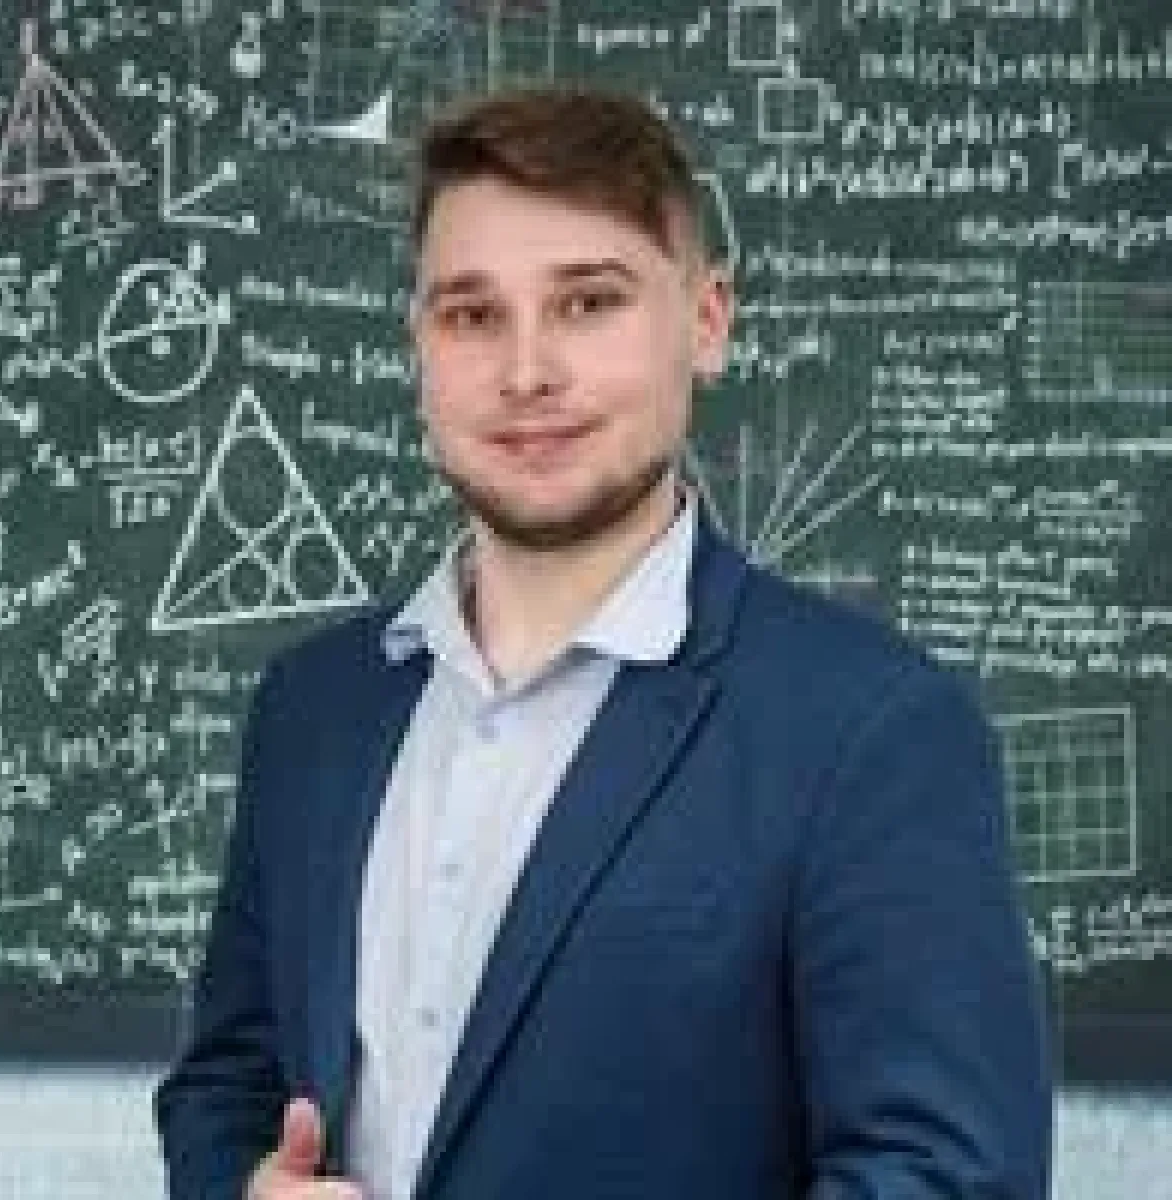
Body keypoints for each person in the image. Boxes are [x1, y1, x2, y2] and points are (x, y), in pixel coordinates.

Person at [154, 85, 1053, 1199]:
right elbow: (224, 1086)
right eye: (472, 314)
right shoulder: (315, 706)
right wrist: (247, 1186)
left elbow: (946, 1178)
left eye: (588, 303)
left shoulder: (874, 731)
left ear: (707, 323)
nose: (527, 372)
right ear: (419, 345)